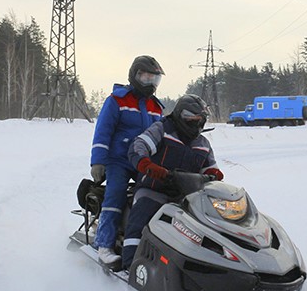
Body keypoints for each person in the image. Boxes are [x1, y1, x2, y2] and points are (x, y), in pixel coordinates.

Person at [121, 94, 224, 269]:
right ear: (179, 115)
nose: (196, 123)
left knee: (209, 226)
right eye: (191, 118)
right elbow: (139, 145)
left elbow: (210, 167)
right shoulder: (162, 129)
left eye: (200, 119)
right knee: (141, 215)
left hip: (186, 197)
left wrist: (214, 174)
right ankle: (129, 265)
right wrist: (147, 165)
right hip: (154, 189)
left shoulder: (203, 143)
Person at [90, 55, 165, 264]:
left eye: (154, 79)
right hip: (119, 160)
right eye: (146, 77)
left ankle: (146, 243)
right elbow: (103, 131)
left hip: (144, 161)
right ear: (135, 76)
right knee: (115, 194)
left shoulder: (156, 107)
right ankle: (104, 244)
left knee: (155, 196)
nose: (150, 83)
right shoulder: (117, 100)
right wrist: (98, 161)